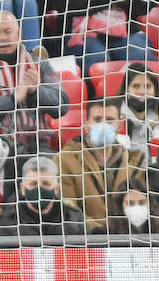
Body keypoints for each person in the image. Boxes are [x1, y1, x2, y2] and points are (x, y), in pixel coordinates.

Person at [0, 8, 68, 153]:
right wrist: (14, 99)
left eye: (8, 31)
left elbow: (62, 105)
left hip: (38, 145)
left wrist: (35, 91)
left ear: (19, 34)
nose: (2, 38)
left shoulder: (39, 63)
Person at [57, 97, 147, 232]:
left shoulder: (135, 162)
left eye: (110, 120)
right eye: (97, 119)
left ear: (120, 125)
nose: (103, 125)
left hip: (127, 238)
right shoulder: (65, 159)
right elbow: (68, 209)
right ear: (86, 125)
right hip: (86, 239)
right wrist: (99, 230)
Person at [0, 154, 86, 236]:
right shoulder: (6, 224)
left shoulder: (74, 220)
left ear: (57, 189)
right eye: (33, 184)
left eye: (46, 184)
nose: (39, 189)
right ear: (22, 189)